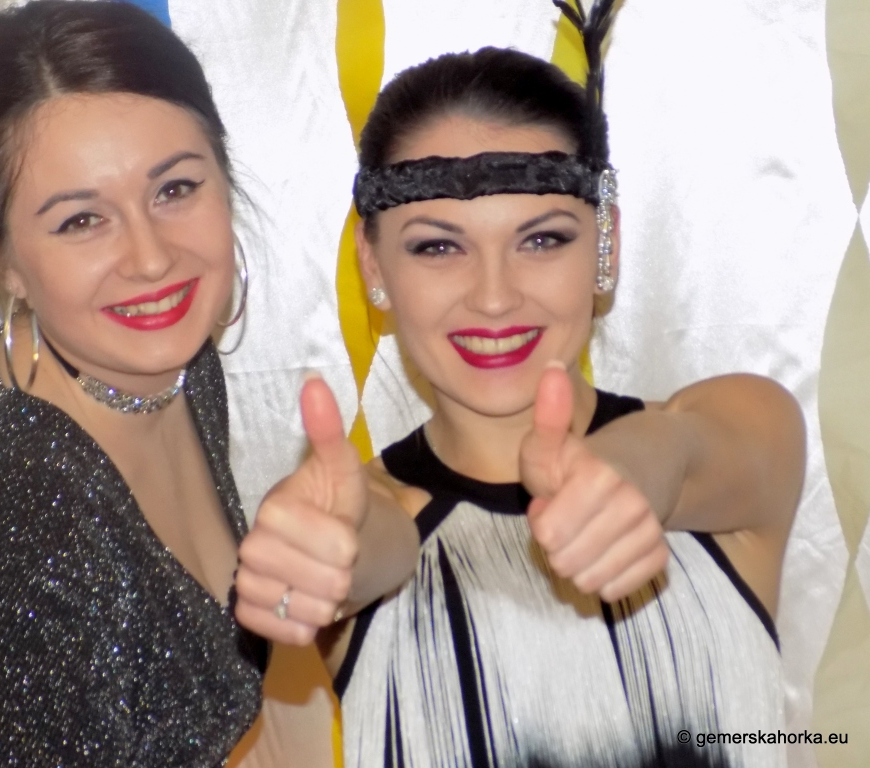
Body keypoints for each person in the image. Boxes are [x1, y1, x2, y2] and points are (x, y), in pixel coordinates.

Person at [0, 2, 418, 765]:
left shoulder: (163, 365)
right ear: (4, 258)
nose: (152, 259)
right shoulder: (12, 541)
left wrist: (359, 550)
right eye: (81, 221)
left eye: (174, 189)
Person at [233, 4, 804, 767]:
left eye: (541, 239)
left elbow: (685, 452)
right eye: (439, 247)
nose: (494, 297)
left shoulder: (741, 427)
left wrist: (630, 471)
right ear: (374, 268)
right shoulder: (360, 516)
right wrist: (325, 555)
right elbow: (376, 548)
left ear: (605, 245)